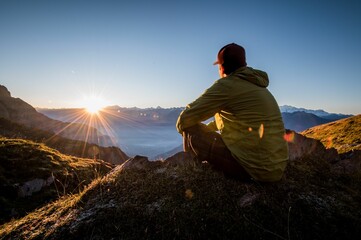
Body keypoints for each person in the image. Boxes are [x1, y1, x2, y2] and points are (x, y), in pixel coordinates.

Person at [176, 43, 288, 182]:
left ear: (222, 66)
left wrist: (197, 132)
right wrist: (208, 129)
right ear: (244, 64)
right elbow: (229, 120)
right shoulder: (257, 85)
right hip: (275, 169)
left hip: (252, 171)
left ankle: (191, 173)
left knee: (190, 130)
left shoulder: (226, 86)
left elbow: (184, 119)